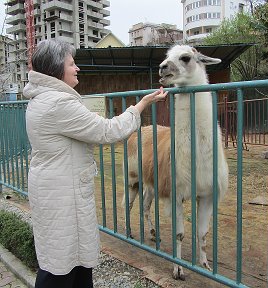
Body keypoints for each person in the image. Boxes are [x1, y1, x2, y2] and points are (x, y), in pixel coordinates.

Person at [23, 39, 167, 288]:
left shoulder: (42, 99)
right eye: (71, 63)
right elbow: (106, 131)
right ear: (57, 69)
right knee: (60, 267)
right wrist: (141, 105)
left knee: (68, 260)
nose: (77, 68)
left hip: (57, 190)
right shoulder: (59, 103)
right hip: (63, 195)